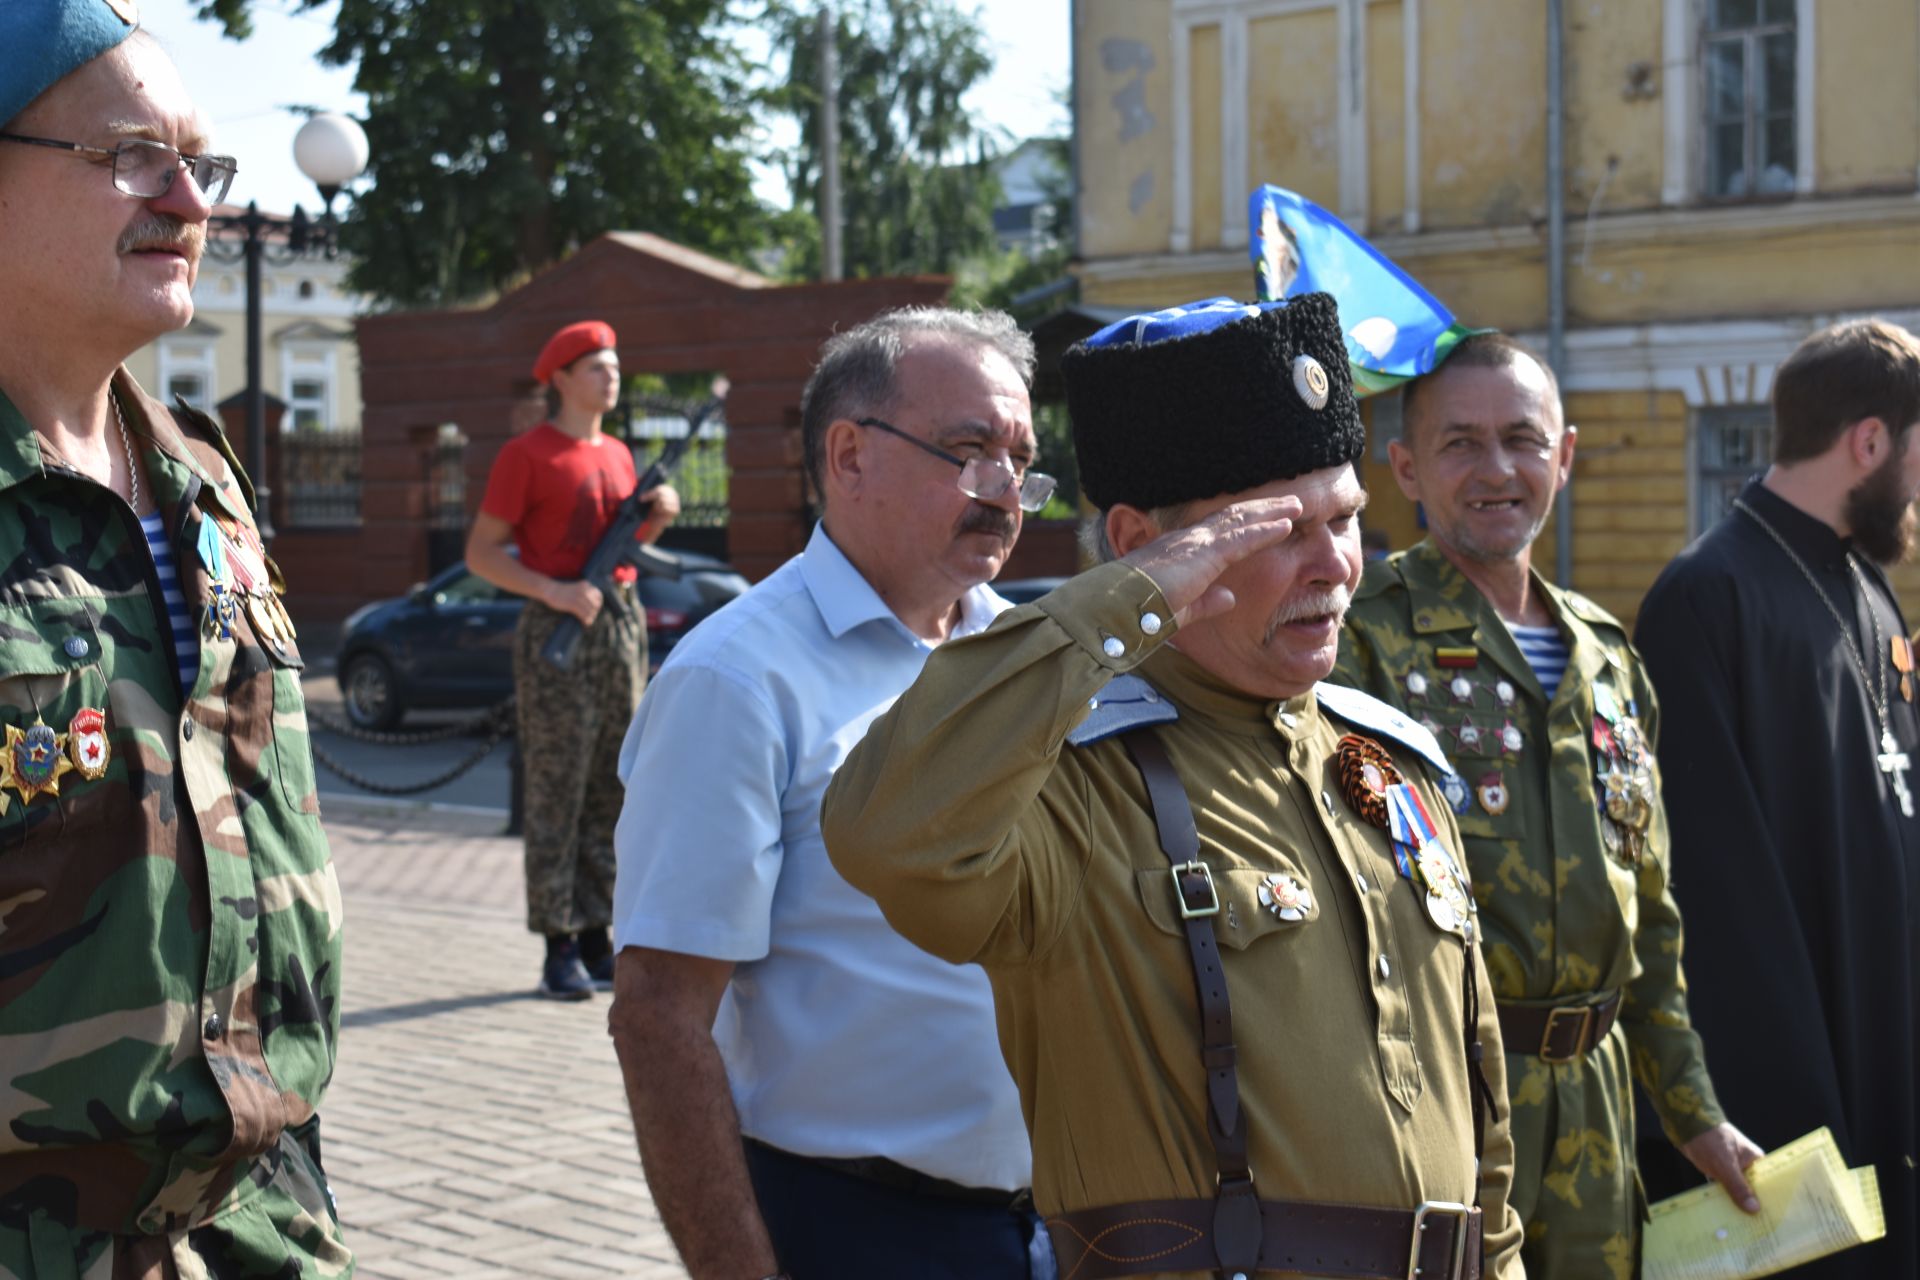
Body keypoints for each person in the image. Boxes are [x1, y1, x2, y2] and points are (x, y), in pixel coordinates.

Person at [823, 294, 1525, 1280]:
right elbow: (883, 830)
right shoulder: (1066, 788)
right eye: (1274, 531)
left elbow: (1479, 1090)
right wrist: (1134, 598)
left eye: (1347, 518)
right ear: (1144, 544)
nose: (1333, 564)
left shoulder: (1390, 762)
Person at [0, 6, 353, 1275]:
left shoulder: (202, 474)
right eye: (134, 156)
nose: (187, 198)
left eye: (203, 163)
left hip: (255, 1220)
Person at [607, 307, 1046, 1280]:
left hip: (1056, 1224)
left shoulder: (1021, 659)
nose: (1006, 493)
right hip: (857, 1226)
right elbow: (659, 1013)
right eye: (971, 452)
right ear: (848, 455)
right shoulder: (738, 678)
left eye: (1022, 462)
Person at [1331, 332, 1761, 1276]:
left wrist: (1695, 1118)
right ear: (1404, 466)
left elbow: (1650, 924)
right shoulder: (1360, 643)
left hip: (1599, 1117)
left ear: (1564, 456)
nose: (1497, 471)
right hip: (1445, 1111)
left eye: (1523, 440)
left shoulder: (1611, 660)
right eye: (1460, 445)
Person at [1633, 318, 1920, 1280]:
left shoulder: (1871, 591)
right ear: (1870, 443)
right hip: (1795, 1078)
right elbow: (1714, 895)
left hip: (1886, 1037)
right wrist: (1797, 1117)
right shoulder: (1704, 597)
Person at [465, 320, 680, 999]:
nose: (610, 378)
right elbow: (483, 553)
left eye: (614, 367)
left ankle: (598, 934)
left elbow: (621, 544)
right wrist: (552, 589)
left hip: (618, 622)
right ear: (560, 379)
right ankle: (557, 943)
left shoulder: (618, 454)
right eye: (596, 368)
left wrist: (659, 517)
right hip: (557, 625)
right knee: (558, 784)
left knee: (615, 783)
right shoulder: (526, 456)